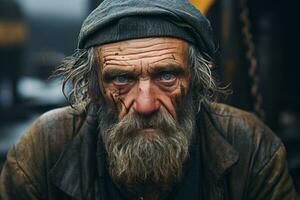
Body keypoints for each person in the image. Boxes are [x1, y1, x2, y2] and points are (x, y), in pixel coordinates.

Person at [0, 0, 298, 199]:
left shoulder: (253, 147)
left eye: (167, 76)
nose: (145, 105)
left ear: (196, 81)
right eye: (121, 79)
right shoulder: (42, 149)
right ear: (93, 90)